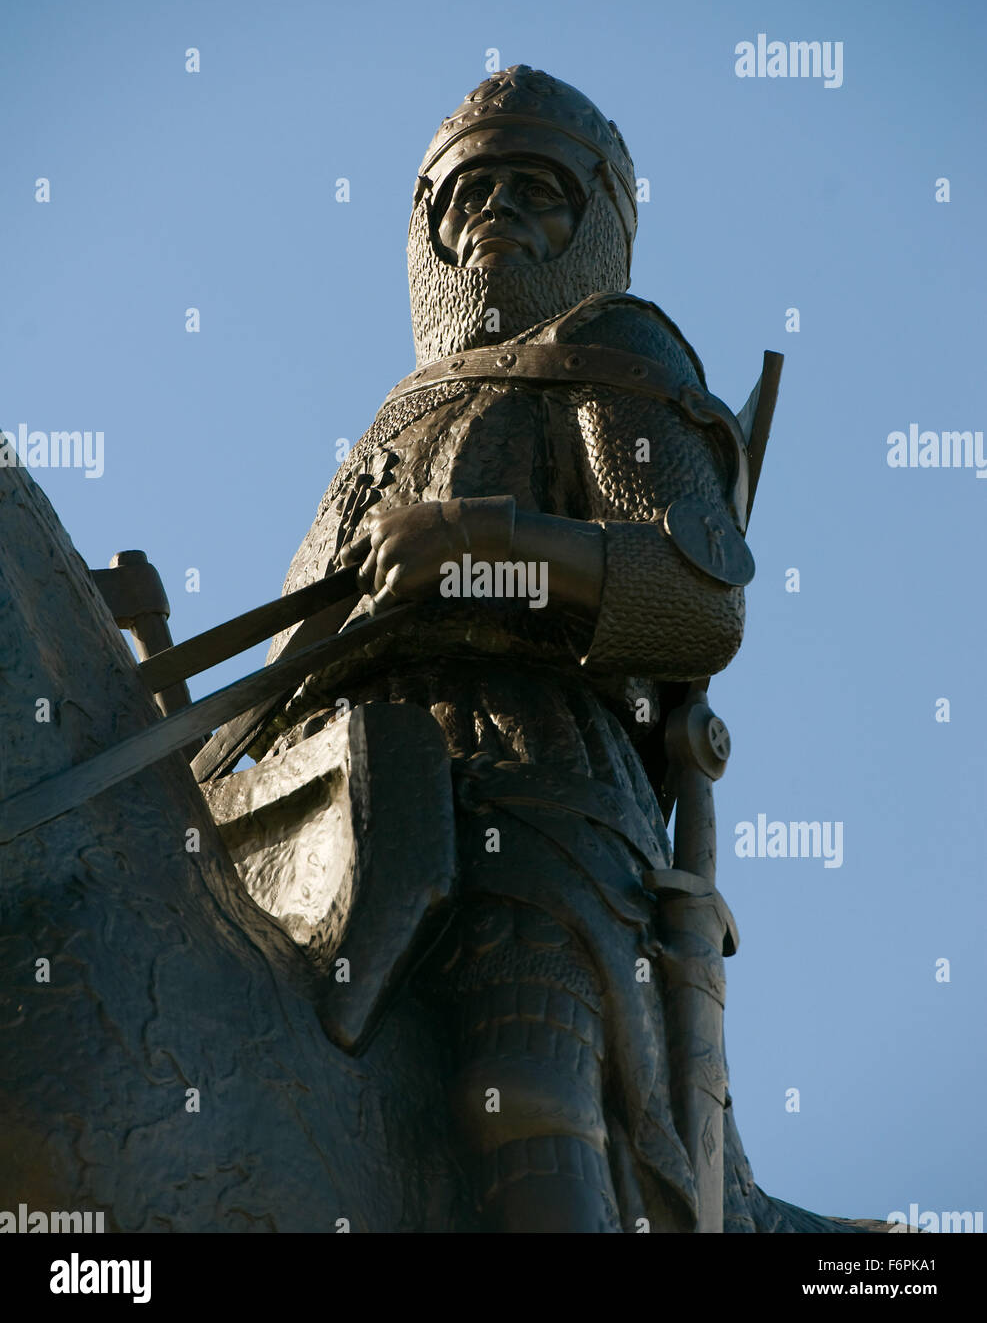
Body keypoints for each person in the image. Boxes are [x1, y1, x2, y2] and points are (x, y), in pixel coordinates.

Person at [250, 65, 761, 1232]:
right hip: (349, 788)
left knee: (521, 1088)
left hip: (535, 793)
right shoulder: (395, 424)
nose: (495, 213)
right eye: (470, 193)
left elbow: (695, 599)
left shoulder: (609, 349)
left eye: (534, 190)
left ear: (595, 221)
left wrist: (487, 545)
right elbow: (292, 661)